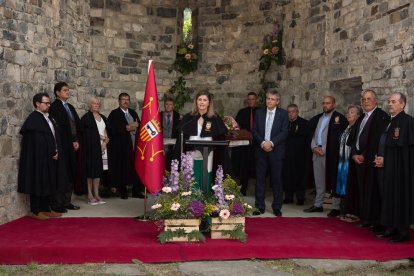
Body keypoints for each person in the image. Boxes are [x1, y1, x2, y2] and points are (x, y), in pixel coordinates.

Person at [18, 93, 66, 219]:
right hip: (38, 159)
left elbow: (53, 136)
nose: (48, 105)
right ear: (37, 104)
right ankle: (35, 210)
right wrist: (52, 152)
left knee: (48, 182)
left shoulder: (48, 118)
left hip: (49, 157)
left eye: (49, 103)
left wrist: (57, 151)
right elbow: (38, 141)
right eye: (46, 103)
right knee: (38, 181)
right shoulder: (34, 119)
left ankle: (46, 208)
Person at [375, 92, 414, 243]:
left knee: (400, 197)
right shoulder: (390, 121)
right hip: (389, 167)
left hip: (401, 169)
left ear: (402, 104)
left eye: (393, 101)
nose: (390, 104)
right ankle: (390, 227)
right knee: (389, 196)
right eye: (389, 101)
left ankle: (402, 232)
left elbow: (406, 149)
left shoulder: (408, 122)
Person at [348, 89, 389, 230]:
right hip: (358, 161)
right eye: (364, 99)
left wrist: (364, 155)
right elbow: (353, 139)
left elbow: (377, 140)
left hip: (371, 161)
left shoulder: (381, 116)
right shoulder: (361, 118)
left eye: (369, 99)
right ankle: (365, 217)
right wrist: (354, 154)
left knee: (373, 191)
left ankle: (375, 220)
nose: (366, 102)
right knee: (362, 190)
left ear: (375, 100)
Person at [174, 91, 228, 191]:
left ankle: (206, 196)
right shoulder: (189, 118)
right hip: (191, 152)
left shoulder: (215, 118)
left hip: (209, 153)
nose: (202, 102)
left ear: (209, 103)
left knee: (206, 174)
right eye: (199, 100)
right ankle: (191, 198)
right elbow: (182, 137)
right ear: (196, 102)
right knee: (192, 175)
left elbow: (220, 137)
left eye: (204, 100)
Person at [304, 96, 347, 213]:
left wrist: (325, 149)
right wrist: (314, 147)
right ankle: (318, 205)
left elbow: (337, 139)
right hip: (317, 153)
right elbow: (312, 135)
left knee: (333, 179)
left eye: (328, 103)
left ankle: (335, 207)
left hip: (331, 155)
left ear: (333, 104)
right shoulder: (317, 119)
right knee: (319, 181)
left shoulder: (340, 119)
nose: (325, 105)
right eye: (323, 103)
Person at [252, 89, 288, 216]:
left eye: (272, 99)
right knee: (260, 179)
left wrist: (271, 143)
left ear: (277, 101)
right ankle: (259, 206)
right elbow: (254, 130)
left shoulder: (283, 114)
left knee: (277, 180)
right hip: (261, 150)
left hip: (276, 151)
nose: (269, 101)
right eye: (268, 98)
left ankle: (277, 207)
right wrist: (262, 143)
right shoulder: (259, 112)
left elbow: (284, 132)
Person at [48, 82, 81, 213]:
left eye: (68, 90)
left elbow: (76, 124)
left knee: (70, 172)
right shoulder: (54, 107)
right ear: (57, 92)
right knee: (61, 173)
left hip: (71, 145)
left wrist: (76, 139)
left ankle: (67, 201)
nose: (68, 92)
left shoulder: (70, 107)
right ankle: (57, 203)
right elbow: (57, 129)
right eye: (65, 90)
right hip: (62, 145)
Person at [108, 93, 144, 199]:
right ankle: (122, 190)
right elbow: (111, 129)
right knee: (122, 168)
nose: (125, 101)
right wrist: (126, 128)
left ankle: (136, 191)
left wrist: (136, 126)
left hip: (134, 145)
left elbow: (139, 125)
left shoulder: (133, 112)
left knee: (135, 168)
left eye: (127, 99)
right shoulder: (114, 114)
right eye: (123, 99)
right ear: (119, 101)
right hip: (121, 147)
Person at [328, 105, 361, 218]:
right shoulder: (346, 127)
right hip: (341, 161)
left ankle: (349, 210)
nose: (348, 114)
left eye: (352, 112)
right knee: (340, 184)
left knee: (349, 185)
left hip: (349, 162)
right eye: (348, 112)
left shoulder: (358, 128)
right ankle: (340, 209)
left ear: (358, 115)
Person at [80, 97, 110, 205]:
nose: (96, 105)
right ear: (89, 105)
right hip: (90, 149)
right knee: (90, 171)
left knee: (98, 172)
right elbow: (84, 134)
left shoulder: (103, 117)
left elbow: (106, 131)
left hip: (102, 148)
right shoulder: (86, 118)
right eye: (94, 103)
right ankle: (89, 195)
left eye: (98, 103)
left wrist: (105, 142)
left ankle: (97, 194)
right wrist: (99, 137)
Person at [231, 92, 258, 196]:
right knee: (244, 166)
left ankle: (258, 190)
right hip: (245, 145)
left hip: (256, 144)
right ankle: (243, 189)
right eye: (249, 99)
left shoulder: (261, 112)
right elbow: (237, 127)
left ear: (256, 100)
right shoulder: (242, 112)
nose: (251, 101)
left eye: (253, 99)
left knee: (257, 166)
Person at [282, 104, 309, 206]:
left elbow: (307, 140)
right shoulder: (284, 124)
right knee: (287, 176)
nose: (291, 113)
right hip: (287, 155)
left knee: (300, 176)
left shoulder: (304, 123)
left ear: (297, 112)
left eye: (293, 111)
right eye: (289, 112)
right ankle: (288, 197)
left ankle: (300, 197)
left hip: (300, 156)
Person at [160, 96, 181, 169]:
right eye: (166, 104)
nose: (168, 106)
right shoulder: (159, 115)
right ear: (164, 105)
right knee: (161, 166)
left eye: (170, 104)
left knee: (172, 167)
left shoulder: (178, 116)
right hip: (161, 146)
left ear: (173, 106)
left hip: (173, 146)